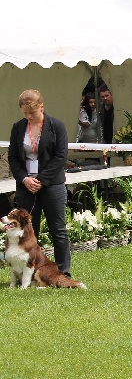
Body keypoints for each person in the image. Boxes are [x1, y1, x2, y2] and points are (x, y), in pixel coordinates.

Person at [7, 89, 72, 277]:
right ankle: (29, 273)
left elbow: (61, 157)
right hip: (26, 186)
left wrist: (41, 180)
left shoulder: (56, 126)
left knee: (57, 229)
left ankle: (62, 272)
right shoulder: (18, 127)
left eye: (32, 113)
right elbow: (13, 157)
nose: (28, 116)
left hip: (52, 185)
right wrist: (25, 179)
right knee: (28, 231)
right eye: (25, 113)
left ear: (41, 107)